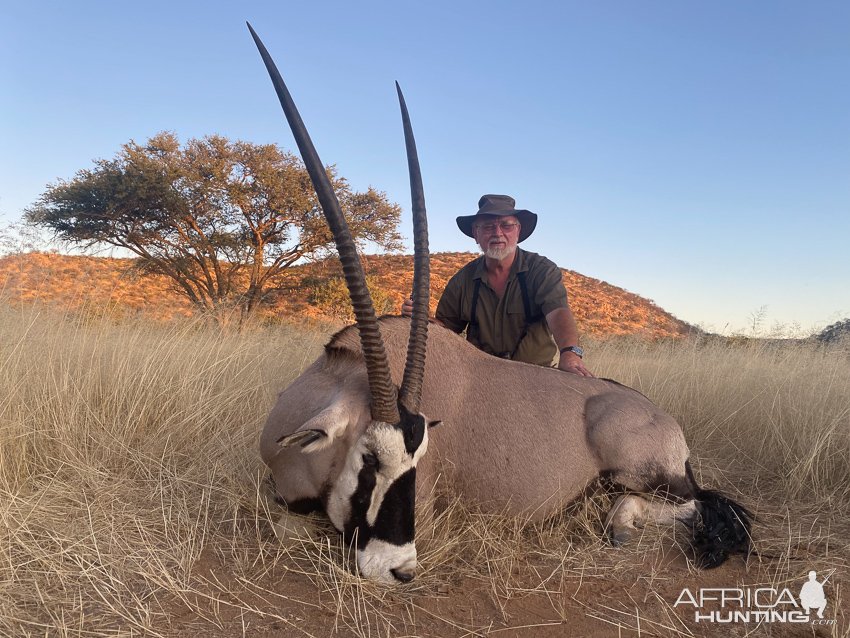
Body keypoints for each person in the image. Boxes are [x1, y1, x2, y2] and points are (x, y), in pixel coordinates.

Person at [402, 194, 593, 377]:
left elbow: (558, 312)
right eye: (487, 227)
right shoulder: (462, 280)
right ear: (476, 234)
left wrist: (570, 354)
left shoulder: (542, 270)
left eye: (506, 225)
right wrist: (422, 318)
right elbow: (447, 330)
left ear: (518, 231)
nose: (497, 233)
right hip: (481, 376)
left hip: (535, 375)